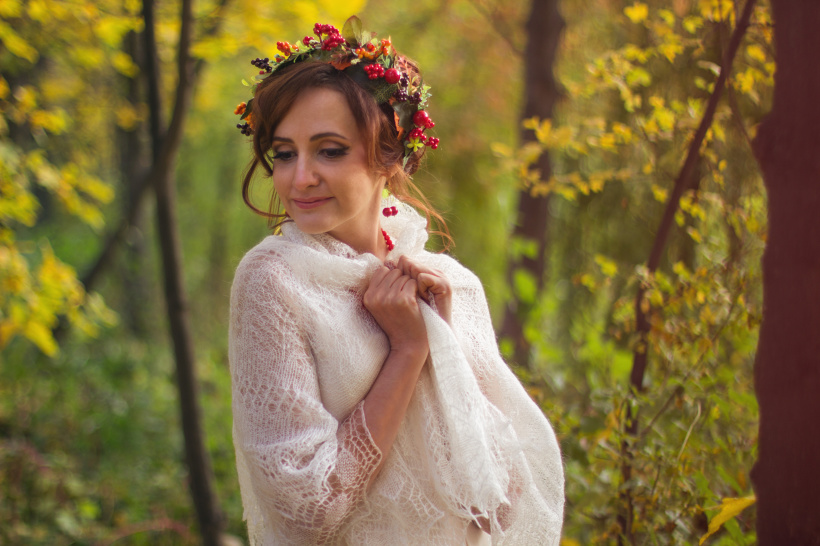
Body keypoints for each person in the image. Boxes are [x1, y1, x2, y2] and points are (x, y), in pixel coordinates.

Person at [229, 17, 564, 545]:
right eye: (285, 153)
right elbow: (306, 511)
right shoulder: (275, 281)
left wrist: (441, 342)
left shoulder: (449, 286)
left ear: (390, 156)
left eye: (329, 150)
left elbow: (500, 506)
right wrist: (408, 352)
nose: (299, 178)